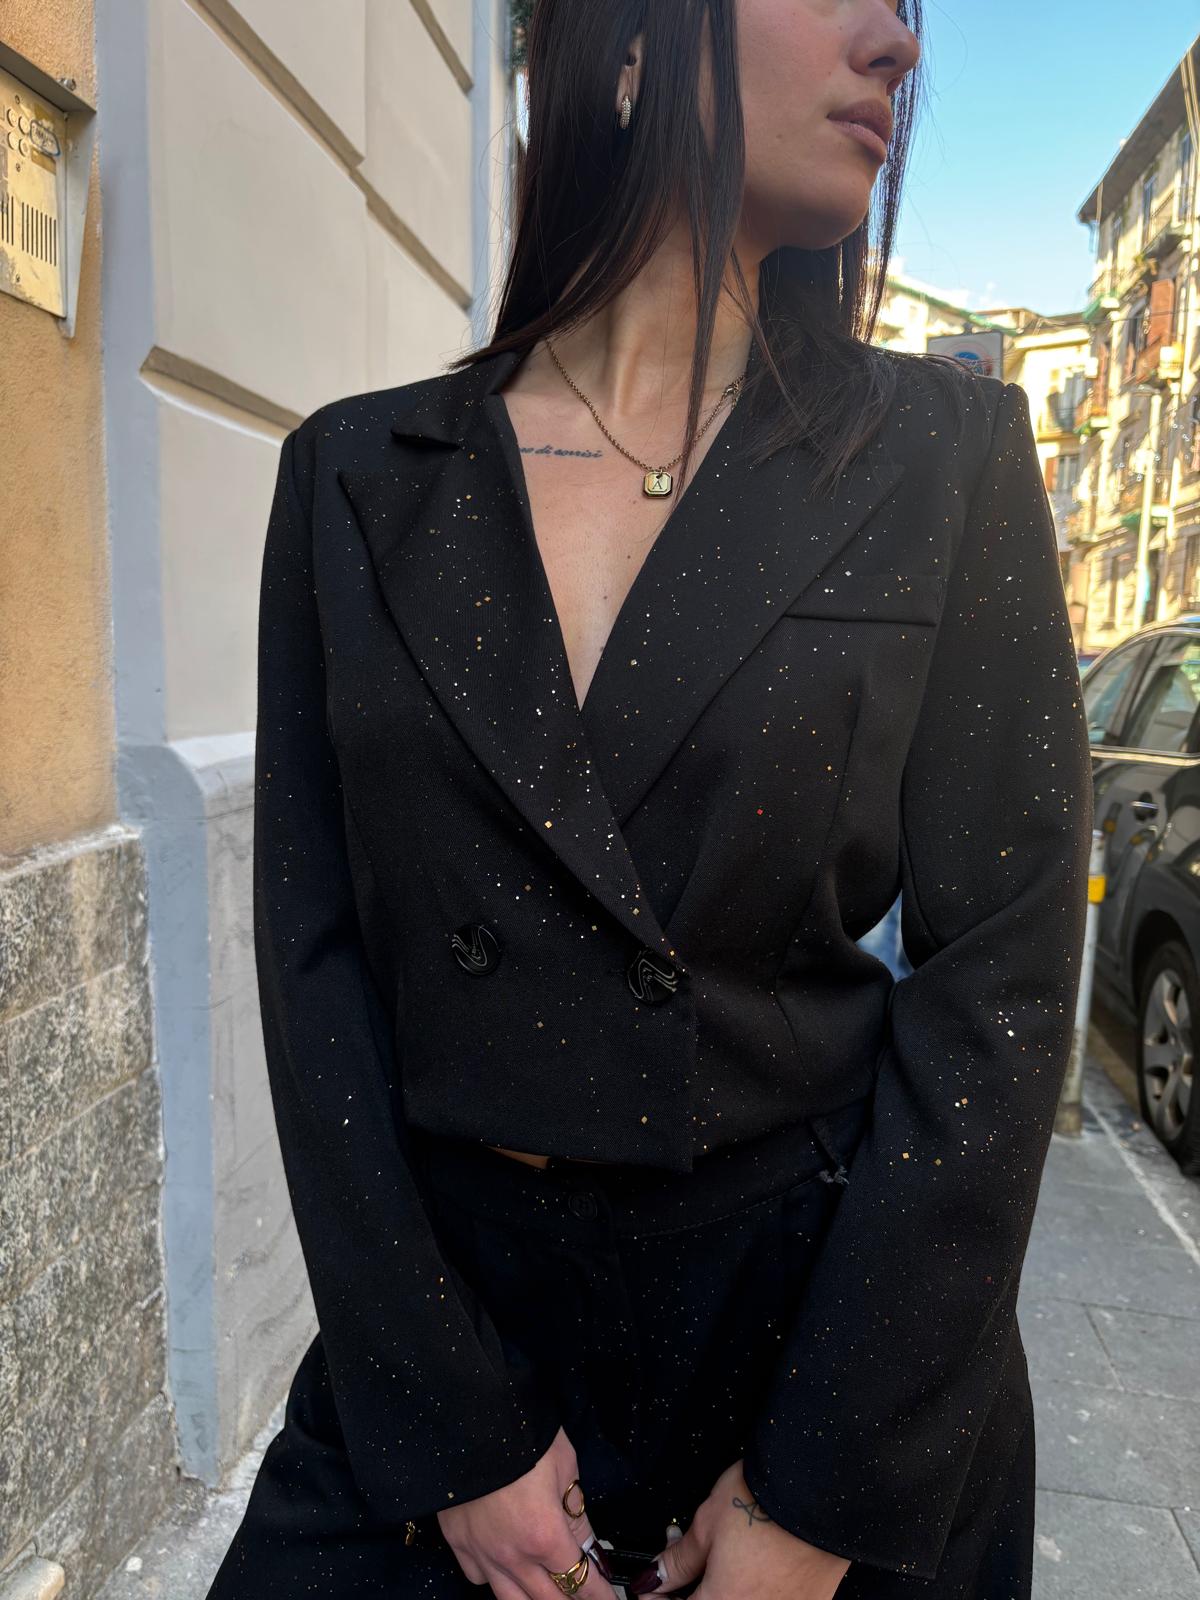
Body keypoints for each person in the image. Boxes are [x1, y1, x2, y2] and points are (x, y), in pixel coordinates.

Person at [204, 2, 1093, 1597]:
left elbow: (1003, 987)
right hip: (455, 1339)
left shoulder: (940, 457)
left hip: (815, 1354)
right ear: (629, 40)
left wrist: (821, 1498)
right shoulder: (359, 477)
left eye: (906, 4)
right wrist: (446, 1425)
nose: (898, 44)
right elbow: (315, 966)